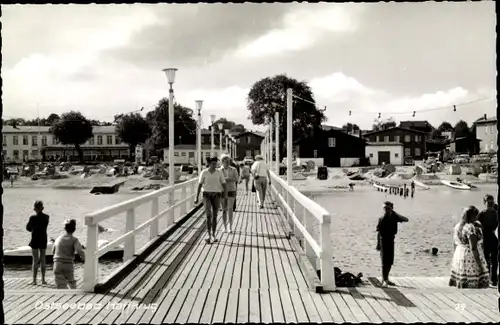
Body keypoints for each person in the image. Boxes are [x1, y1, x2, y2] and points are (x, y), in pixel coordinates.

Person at [449, 206, 490, 288]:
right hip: (470, 257)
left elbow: (455, 243)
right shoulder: (470, 228)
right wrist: (480, 265)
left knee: (464, 283)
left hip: (460, 254)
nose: (477, 217)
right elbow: (473, 247)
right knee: (474, 284)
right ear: (471, 216)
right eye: (475, 215)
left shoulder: (458, 226)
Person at [195, 157, 227, 244]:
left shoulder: (219, 172)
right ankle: (208, 235)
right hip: (206, 195)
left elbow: (224, 184)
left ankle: (213, 234)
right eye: (213, 164)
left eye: (215, 164)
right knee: (208, 215)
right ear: (209, 164)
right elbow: (199, 184)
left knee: (215, 216)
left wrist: (225, 194)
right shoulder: (204, 172)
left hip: (217, 195)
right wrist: (196, 196)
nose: (214, 165)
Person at [376, 201, 409, 287]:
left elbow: (406, 219)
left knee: (390, 261)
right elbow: (379, 232)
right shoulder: (382, 219)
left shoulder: (394, 217)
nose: (386, 210)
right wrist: (378, 244)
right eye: (385, 208)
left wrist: (395, 213)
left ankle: (386, 278)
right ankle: (385, 280)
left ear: (391, 208)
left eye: (388, 208)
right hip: (383, 241)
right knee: (384, 261)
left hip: (391, 240)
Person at [53, 219, 85, 289]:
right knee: (71, 282)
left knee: (60, 285)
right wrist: (85, 258)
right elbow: (79, 250)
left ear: (64, 228)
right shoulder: (74, 240)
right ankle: (74, 295)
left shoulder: (58, 238)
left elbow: (53, 251)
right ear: (74, 229)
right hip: (68, 264)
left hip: (57, 264)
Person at [26, 200, 50, 285]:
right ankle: (43, 279)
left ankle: (34, 280)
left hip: (35, 239)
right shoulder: (47, 217)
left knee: (35, 259)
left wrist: (33, 228)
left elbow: (28, 228)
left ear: (34, 208)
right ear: (42, 208)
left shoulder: (32, 218)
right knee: (43, 259)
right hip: (43, 238)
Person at [477, 195, 498, 286]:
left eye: (492, 203)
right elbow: (476, 226)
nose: (490, 205)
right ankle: (486, 278)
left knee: (495, 259)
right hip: (485, 237)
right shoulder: (481, 214)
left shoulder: (496, 213)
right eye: (488, 203)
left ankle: (493, 279)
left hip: (494, 237)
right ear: (484, 203)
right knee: (486, 259)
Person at [220, 154, 239, 233]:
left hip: (231, 190)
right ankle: (224, 226)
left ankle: (230, 227)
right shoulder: (219, 170)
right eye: (225, 162)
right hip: (222, 191)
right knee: (224, 210)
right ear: (222, 162)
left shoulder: (233, 169)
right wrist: (225, 179)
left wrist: (227, 179)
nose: (227, 163)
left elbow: (237, 178)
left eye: (228, 161)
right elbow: (218, 180)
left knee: (230, 209)